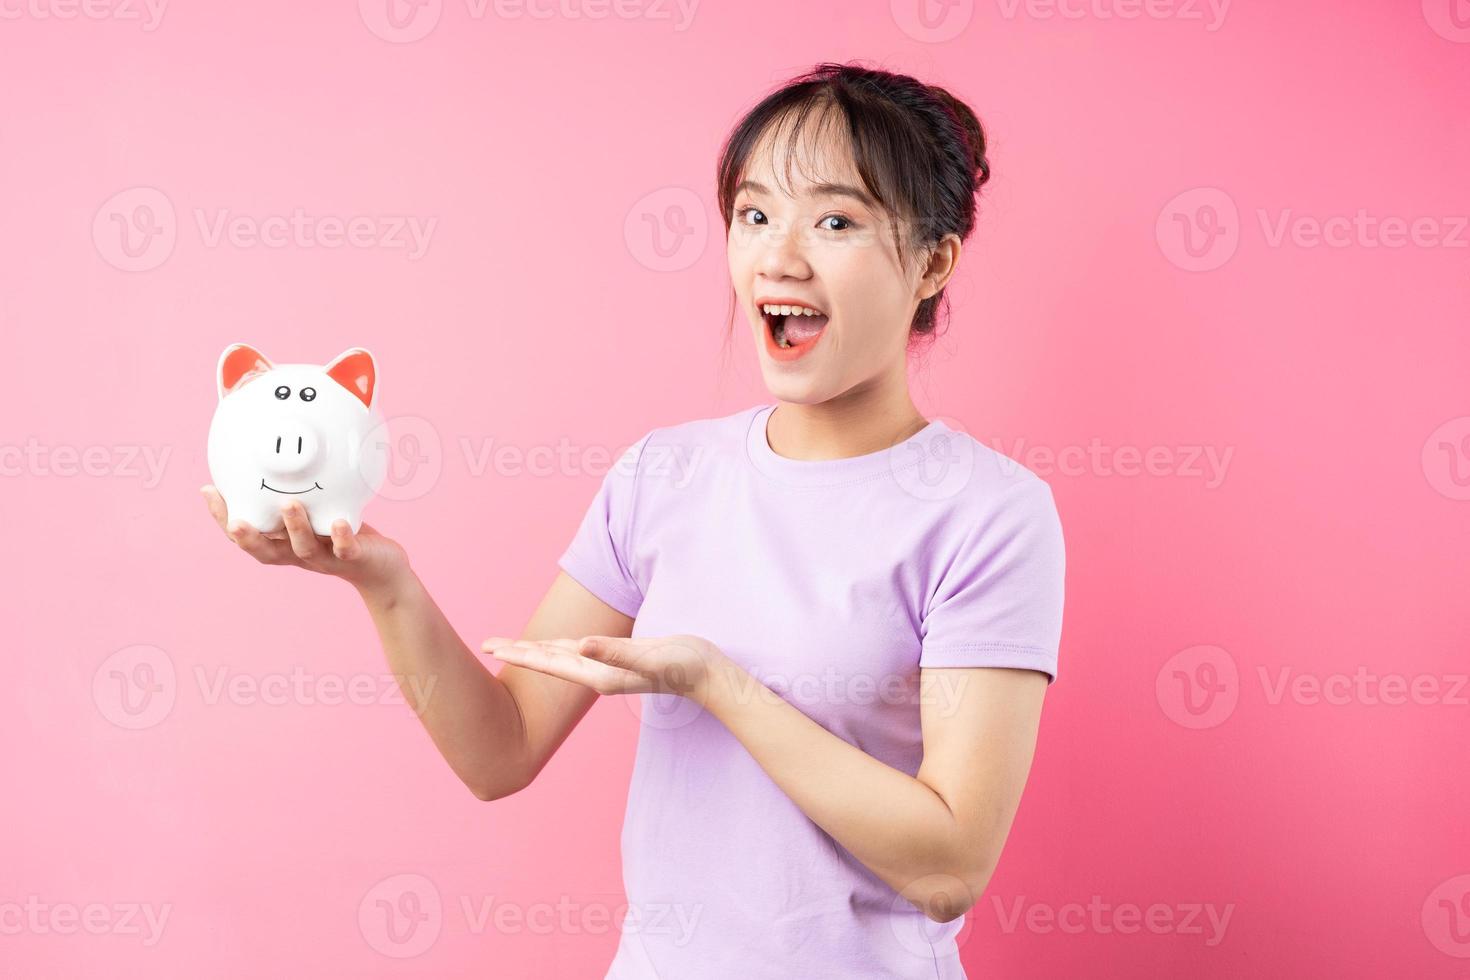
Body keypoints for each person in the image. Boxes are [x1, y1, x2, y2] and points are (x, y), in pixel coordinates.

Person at [201, 61, 1065, 980]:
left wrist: (716, 684)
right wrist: (385, 581)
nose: (779, 255)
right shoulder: (667, 474)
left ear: (933, 262)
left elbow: (950, 865)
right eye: (755, 214)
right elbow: (501, 750)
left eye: (837, 221)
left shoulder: (988, 514)